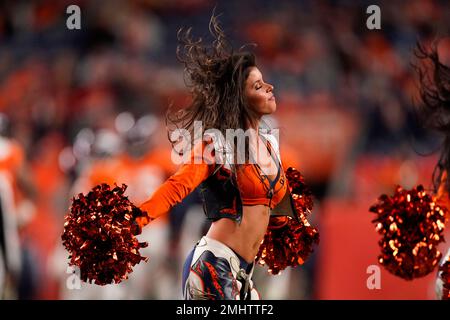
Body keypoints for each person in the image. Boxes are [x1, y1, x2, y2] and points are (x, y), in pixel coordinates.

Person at [133, 13, 300, 300]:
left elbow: (276, 213)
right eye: (258, 86)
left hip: (244, 272)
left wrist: (290, 233)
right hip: (214, 265)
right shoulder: (218, 143)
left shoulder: (271, 144)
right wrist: (131, 222)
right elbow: (177, 187)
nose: (269, 87)